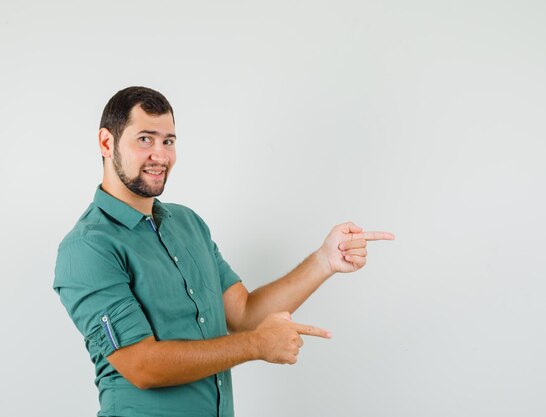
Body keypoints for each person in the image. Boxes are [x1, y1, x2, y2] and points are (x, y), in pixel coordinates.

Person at [53, 86, 394, 417]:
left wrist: (324, 260)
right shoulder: (87, 248)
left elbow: (245, 314)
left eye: (168, 141)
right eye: (145, 139)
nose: (160, 155)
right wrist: (256, 345)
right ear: (106, 142)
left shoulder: (187, 224)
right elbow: (142, 365)